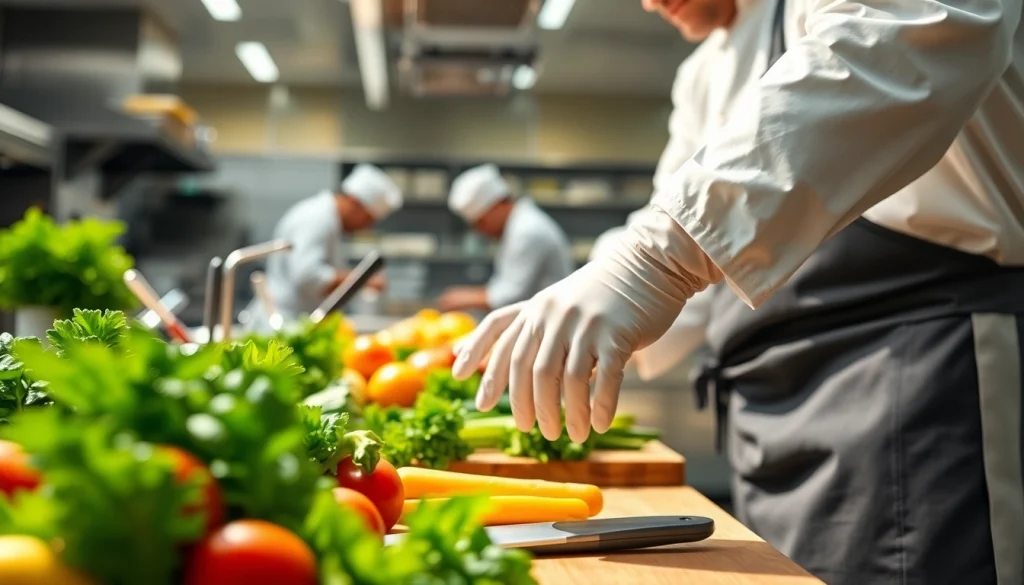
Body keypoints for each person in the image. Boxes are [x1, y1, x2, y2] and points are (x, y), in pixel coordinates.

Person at [451, 0, 1024, 583]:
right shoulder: (703, 73)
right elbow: (679, 230)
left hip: (914, 374)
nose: (648, 3)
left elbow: (902, 39)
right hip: (765, 408)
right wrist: (590, 301)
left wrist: (659, 259)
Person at [246, 164, 402, 333]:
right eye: (367, 219)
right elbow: (308, 276)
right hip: (281, 325)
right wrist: (363, 280)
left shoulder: (328, 220)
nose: (366, 227)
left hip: (294, 324)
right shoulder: (318, 219)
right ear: (354, 203)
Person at [436, 164, 574, 313]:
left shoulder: (527, 231)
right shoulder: (517, 225)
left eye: (481, 223)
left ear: (496, 205)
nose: (481, 231)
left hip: (551, 318)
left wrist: (465, 298)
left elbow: (511, 295)